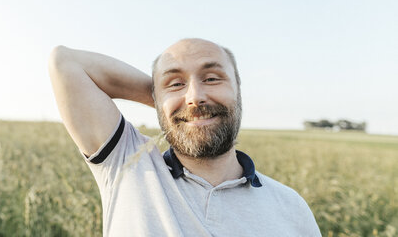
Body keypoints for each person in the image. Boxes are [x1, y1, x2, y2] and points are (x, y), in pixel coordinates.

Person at [48, 38, 321, 237]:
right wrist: (169, 105)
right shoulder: (127, 163)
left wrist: (175, 99)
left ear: (239, 90)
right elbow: (65, 62)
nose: (195, 97)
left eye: (212, 79)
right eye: (176, 83)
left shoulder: (291, 207)